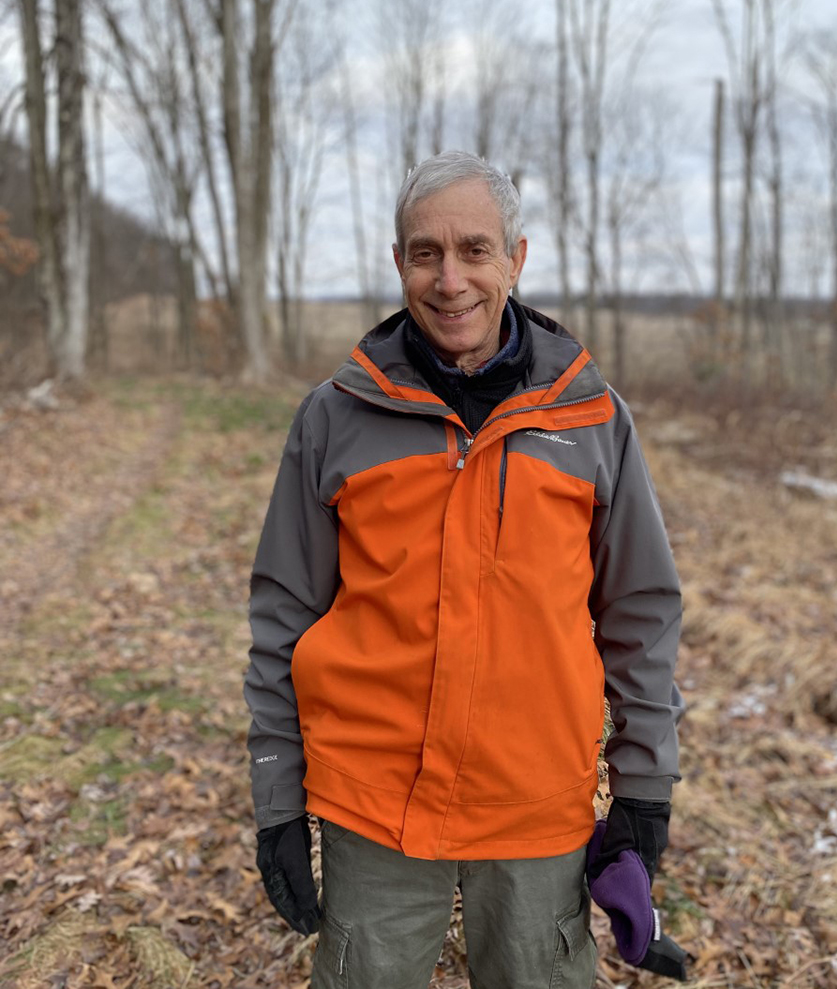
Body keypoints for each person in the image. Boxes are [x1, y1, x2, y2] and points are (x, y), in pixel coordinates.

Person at [244, 150, 684, 989]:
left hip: (534, 805)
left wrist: (643, 786)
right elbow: (282, 620)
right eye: (426, 253)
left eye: (476, 250)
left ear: (516, 258)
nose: (451, 280)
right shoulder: (336, 415)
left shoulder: (591, 418)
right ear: (399, 261)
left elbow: (642, 612)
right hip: (372, 805)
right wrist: (277, 798)